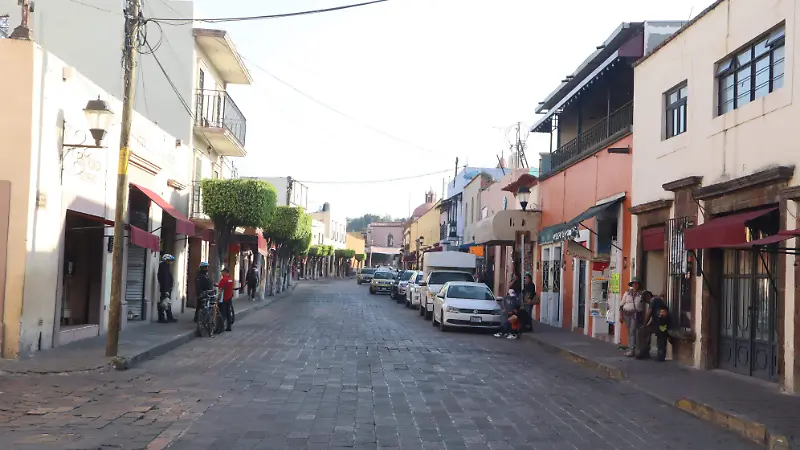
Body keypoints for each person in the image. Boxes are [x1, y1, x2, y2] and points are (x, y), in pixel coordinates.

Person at [637, 292, 670, 360]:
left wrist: (644, 323)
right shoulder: (656, 300)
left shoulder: (653, 300)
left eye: (645, 300)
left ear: (648, 296)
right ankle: (646, 351)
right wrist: (647, 324)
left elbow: (649, 313)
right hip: (659, 321)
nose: (646, 302)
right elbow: (653, 315)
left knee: (661, 338)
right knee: (646, 332)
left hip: (661, 322)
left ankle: (660, 355)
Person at [619, 277, 645, 357]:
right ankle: (631, 348)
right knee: (630, 332)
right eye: (634, 283)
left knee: (633, 331)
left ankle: (632, 350)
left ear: (639, 285)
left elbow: (649, 298)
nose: (635, 285)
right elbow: (621, 304)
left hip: (636, 314)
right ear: (632, 284)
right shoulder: (627, 293)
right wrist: (621, 315)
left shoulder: (642, 293)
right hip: (626, 314)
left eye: (637, 283)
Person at [157, 254, 177, 323]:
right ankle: (161, 318)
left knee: (167, 303)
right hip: (165, 289)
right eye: (170, 261)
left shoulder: (166, 266)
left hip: (167, 288)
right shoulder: (163, 267)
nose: (171, 262)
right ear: (167, 260)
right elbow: (164, 279)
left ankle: (169, 317)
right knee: (163, 303)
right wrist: (166, 290)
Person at [217, 266, 235, 332]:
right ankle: (229, 327)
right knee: (228, 313)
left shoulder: (223, 280)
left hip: (223, 299)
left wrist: (218, 298)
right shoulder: (230, 279)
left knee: (222, 314)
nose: (221, 273)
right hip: (229, 298)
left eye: (222, 272)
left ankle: (220, 328)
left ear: (225, 272)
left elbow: (220, 289)